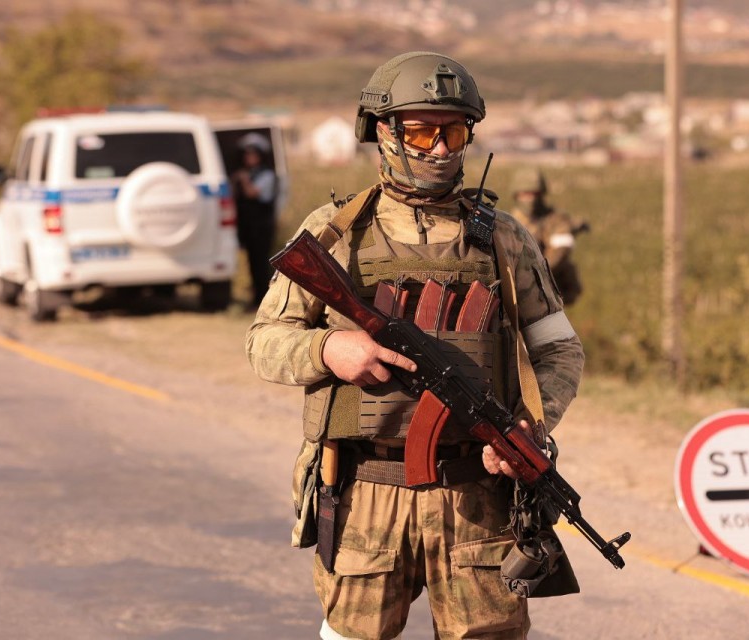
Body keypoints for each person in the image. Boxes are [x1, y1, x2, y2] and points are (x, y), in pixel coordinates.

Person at [246, 51, 584, 640]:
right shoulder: (334, 232)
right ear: (385, 131)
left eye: (455, 131)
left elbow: (559, 350)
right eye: (424, 131)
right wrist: (329, 349)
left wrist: (532, 425)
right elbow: (264, 342)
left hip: (476, 497)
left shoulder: (505, 239)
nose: (441, 148)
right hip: (364, 490)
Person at [509, 168, 588, 306]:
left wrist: (535, 274)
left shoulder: (556, 220)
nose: (530, 199)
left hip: (553, 293)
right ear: (517, 195)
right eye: (525, 194)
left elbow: (561, 251)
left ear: (541, 194)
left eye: (534, 194)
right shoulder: (508, 222)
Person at [231, 132, 278, 308]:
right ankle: (255, 298)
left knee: (261, 264)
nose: (249, 158)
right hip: (248, 227)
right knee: (252, 263)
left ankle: (263, 300)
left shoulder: (267, 175)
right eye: (247, 155)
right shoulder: (248, 173)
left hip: (261, 228)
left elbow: (252, 193)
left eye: (253, 155)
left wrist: (243, 180)